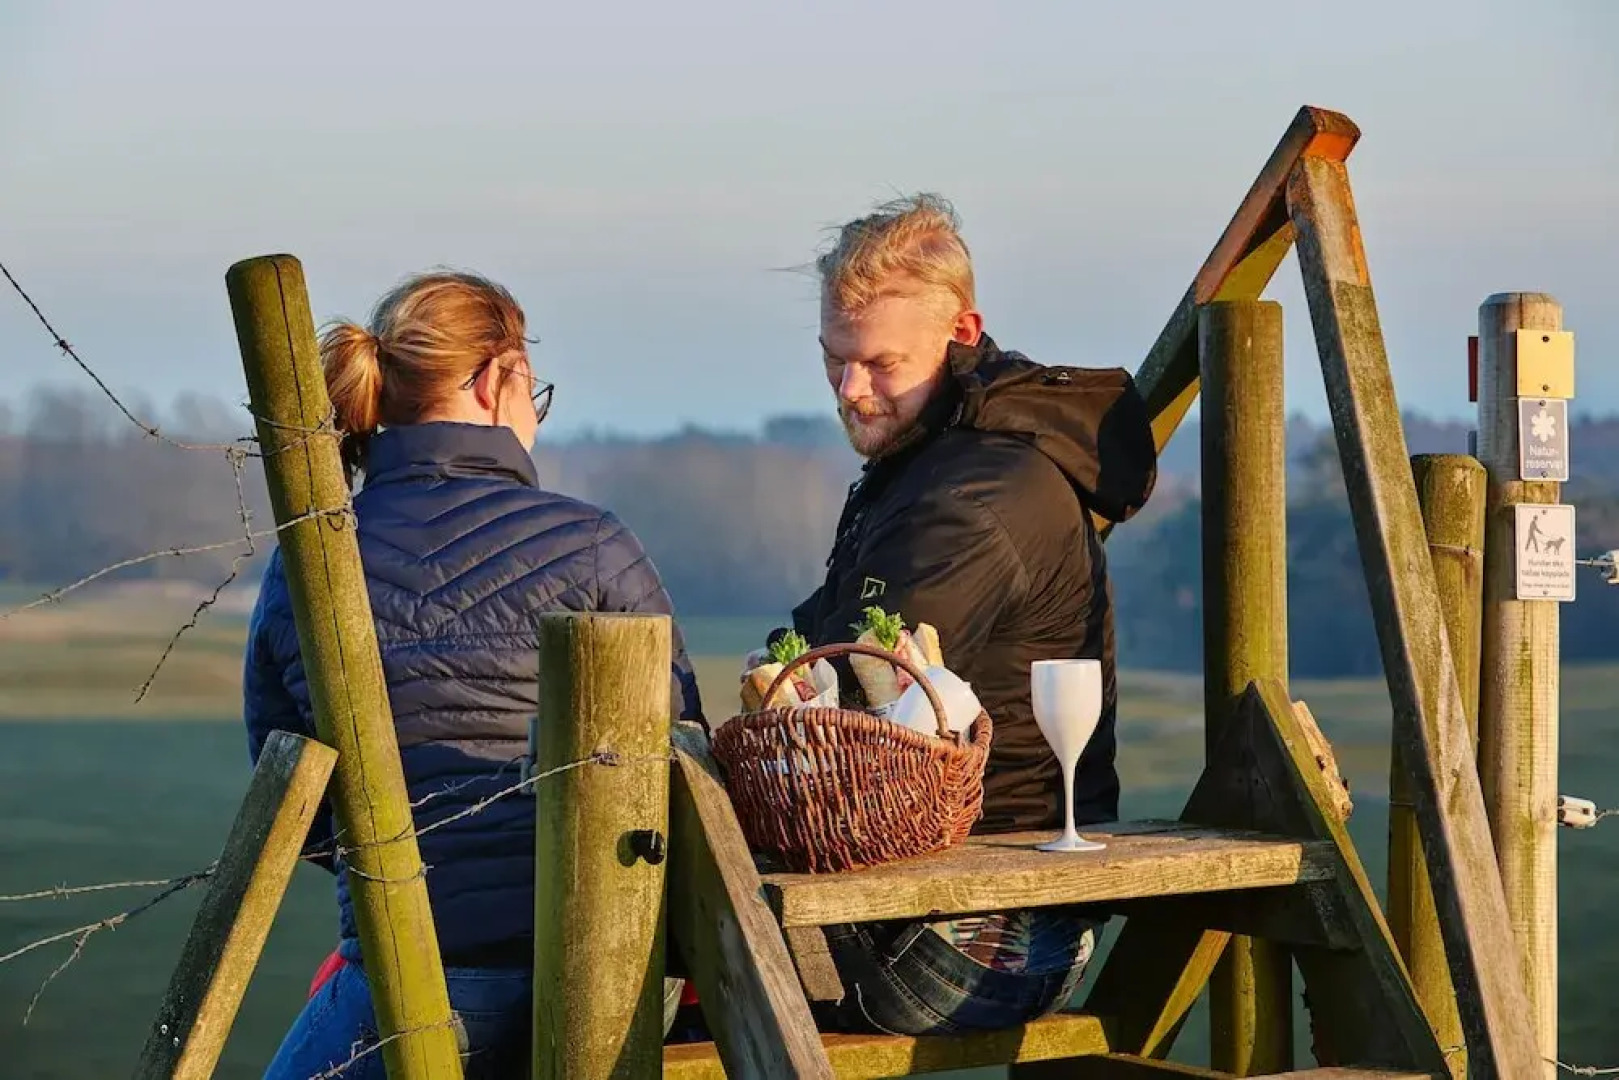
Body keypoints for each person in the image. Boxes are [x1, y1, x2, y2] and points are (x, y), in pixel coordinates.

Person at [243, 270, 701, 1078]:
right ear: (500, 378)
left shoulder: (310, 563)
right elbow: (681, 757)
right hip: (603, 976)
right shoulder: (591, 543)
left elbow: (296, 802)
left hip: (398, 977)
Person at [790, 194, 1158, 1035]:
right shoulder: (934, 460)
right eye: (833, 359)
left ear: (961, 334)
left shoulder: (972, 493)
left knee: (651, 942)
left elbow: (843, 700)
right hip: (973, 897)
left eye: (880, 364)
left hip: (975, 931)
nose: (851, 391)